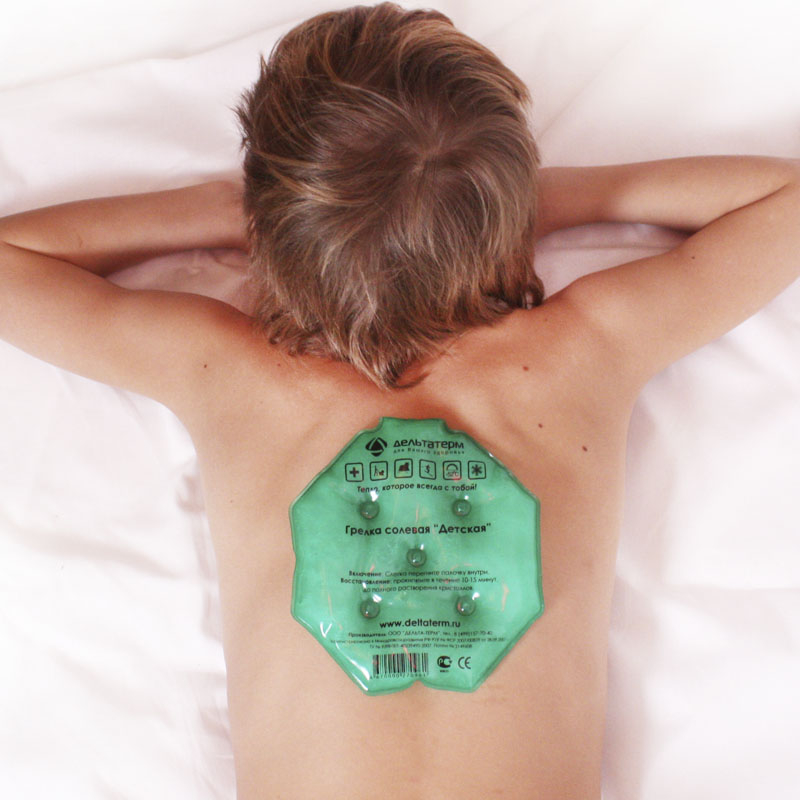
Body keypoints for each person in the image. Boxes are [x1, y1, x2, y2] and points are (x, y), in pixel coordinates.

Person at [0, 2, 797, 797]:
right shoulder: (586, 349)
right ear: (509, 216)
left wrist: (243, 208)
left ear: (269, 232)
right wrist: (520, 202)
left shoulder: (227, 374)